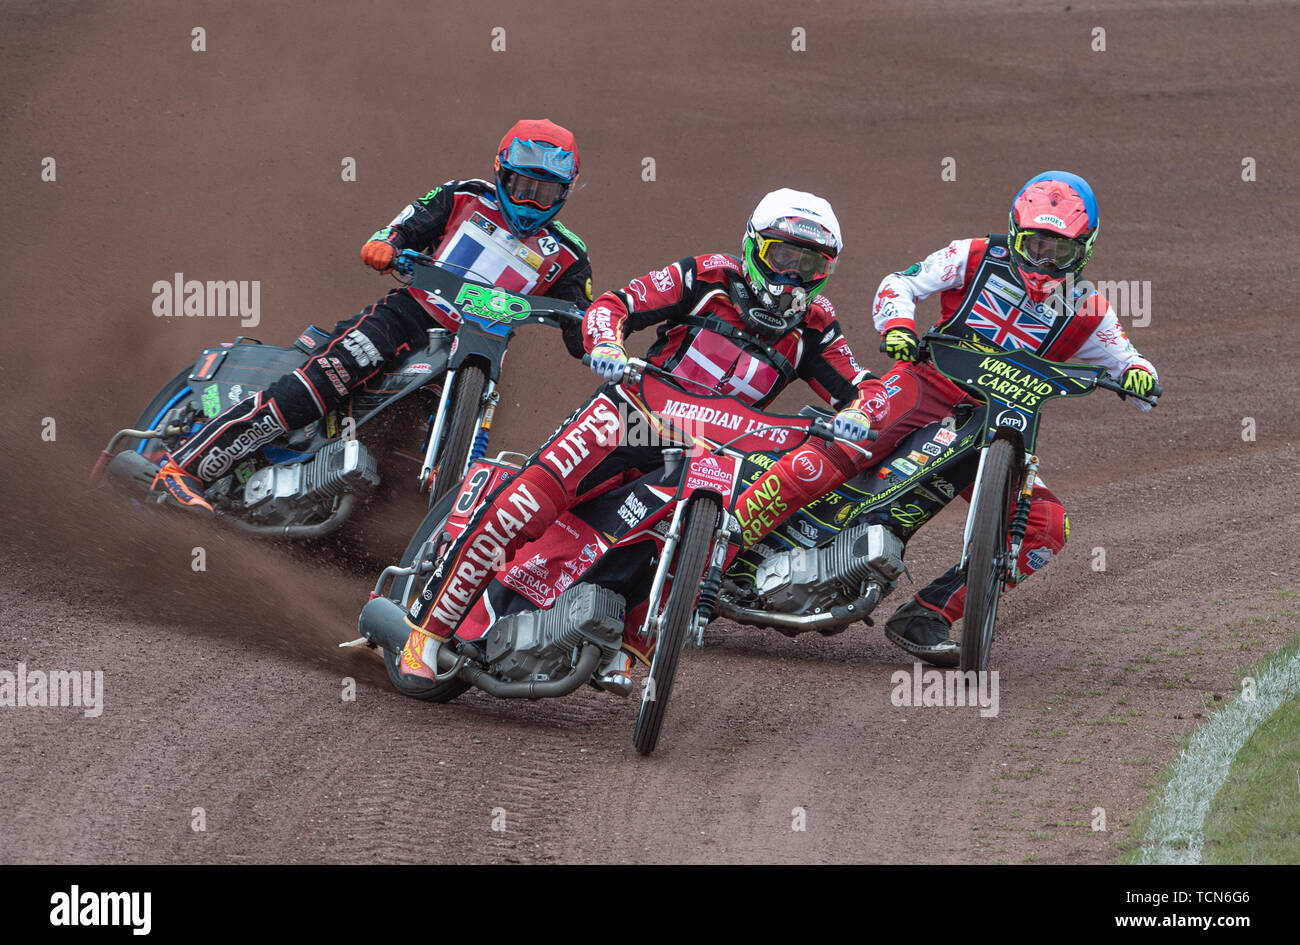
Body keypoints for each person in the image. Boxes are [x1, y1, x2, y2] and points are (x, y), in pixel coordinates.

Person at [397, 188, 891, 692]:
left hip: (703, 453)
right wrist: (606, 343)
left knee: (681, 540)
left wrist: (858, 412)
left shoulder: (817, 324)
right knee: (521, 506)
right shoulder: (708, 276)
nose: (791, 276)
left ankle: (628, 643)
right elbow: (616, 304)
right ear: (753, 247)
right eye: (782, 256)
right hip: (628, 417)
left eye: (809, 264)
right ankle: (427, 632)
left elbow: (867, 387)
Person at [152, 119, 592, 510]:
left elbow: (585, 325)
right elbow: (402, 227)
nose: (531, 202)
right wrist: (386, 244)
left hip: (480, 352)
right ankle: (188, 467)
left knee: (465, 438)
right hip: (409, 316)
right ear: (501, 173)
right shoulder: (463, 196)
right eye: (521, 187)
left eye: (545, 193)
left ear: (565, 194)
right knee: (333, 374)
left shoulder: (570, 256)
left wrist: (601, 339)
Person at [869, 171, 1160, 664]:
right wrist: (898, 326)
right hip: (925, 388)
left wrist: (1139, 376)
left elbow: (1132, 364)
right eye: (1035, 243)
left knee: (1046, 527)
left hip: (996, 426)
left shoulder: (1089, 307)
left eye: (1060, 251)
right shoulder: (974, 253)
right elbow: (900, 282)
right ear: (1015, 231)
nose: (1044, 260)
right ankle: (729, 550)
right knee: (845, 443)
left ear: (1084, 250)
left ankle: (926, 614)